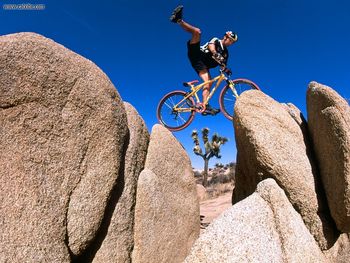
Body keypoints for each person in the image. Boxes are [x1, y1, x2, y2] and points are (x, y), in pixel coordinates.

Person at [170, 5, 238, 115]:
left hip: (202, 65)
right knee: (197, 32)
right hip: (197, 54)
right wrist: (216, 54)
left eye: (232, 42)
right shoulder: (217, 41)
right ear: (225, 37)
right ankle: (178, 20)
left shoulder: (226, 53)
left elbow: (222, 65)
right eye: (230, 40)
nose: (230, 43)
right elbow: (211, 47)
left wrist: (225, 69)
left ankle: (204, 105)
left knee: (208, 83)